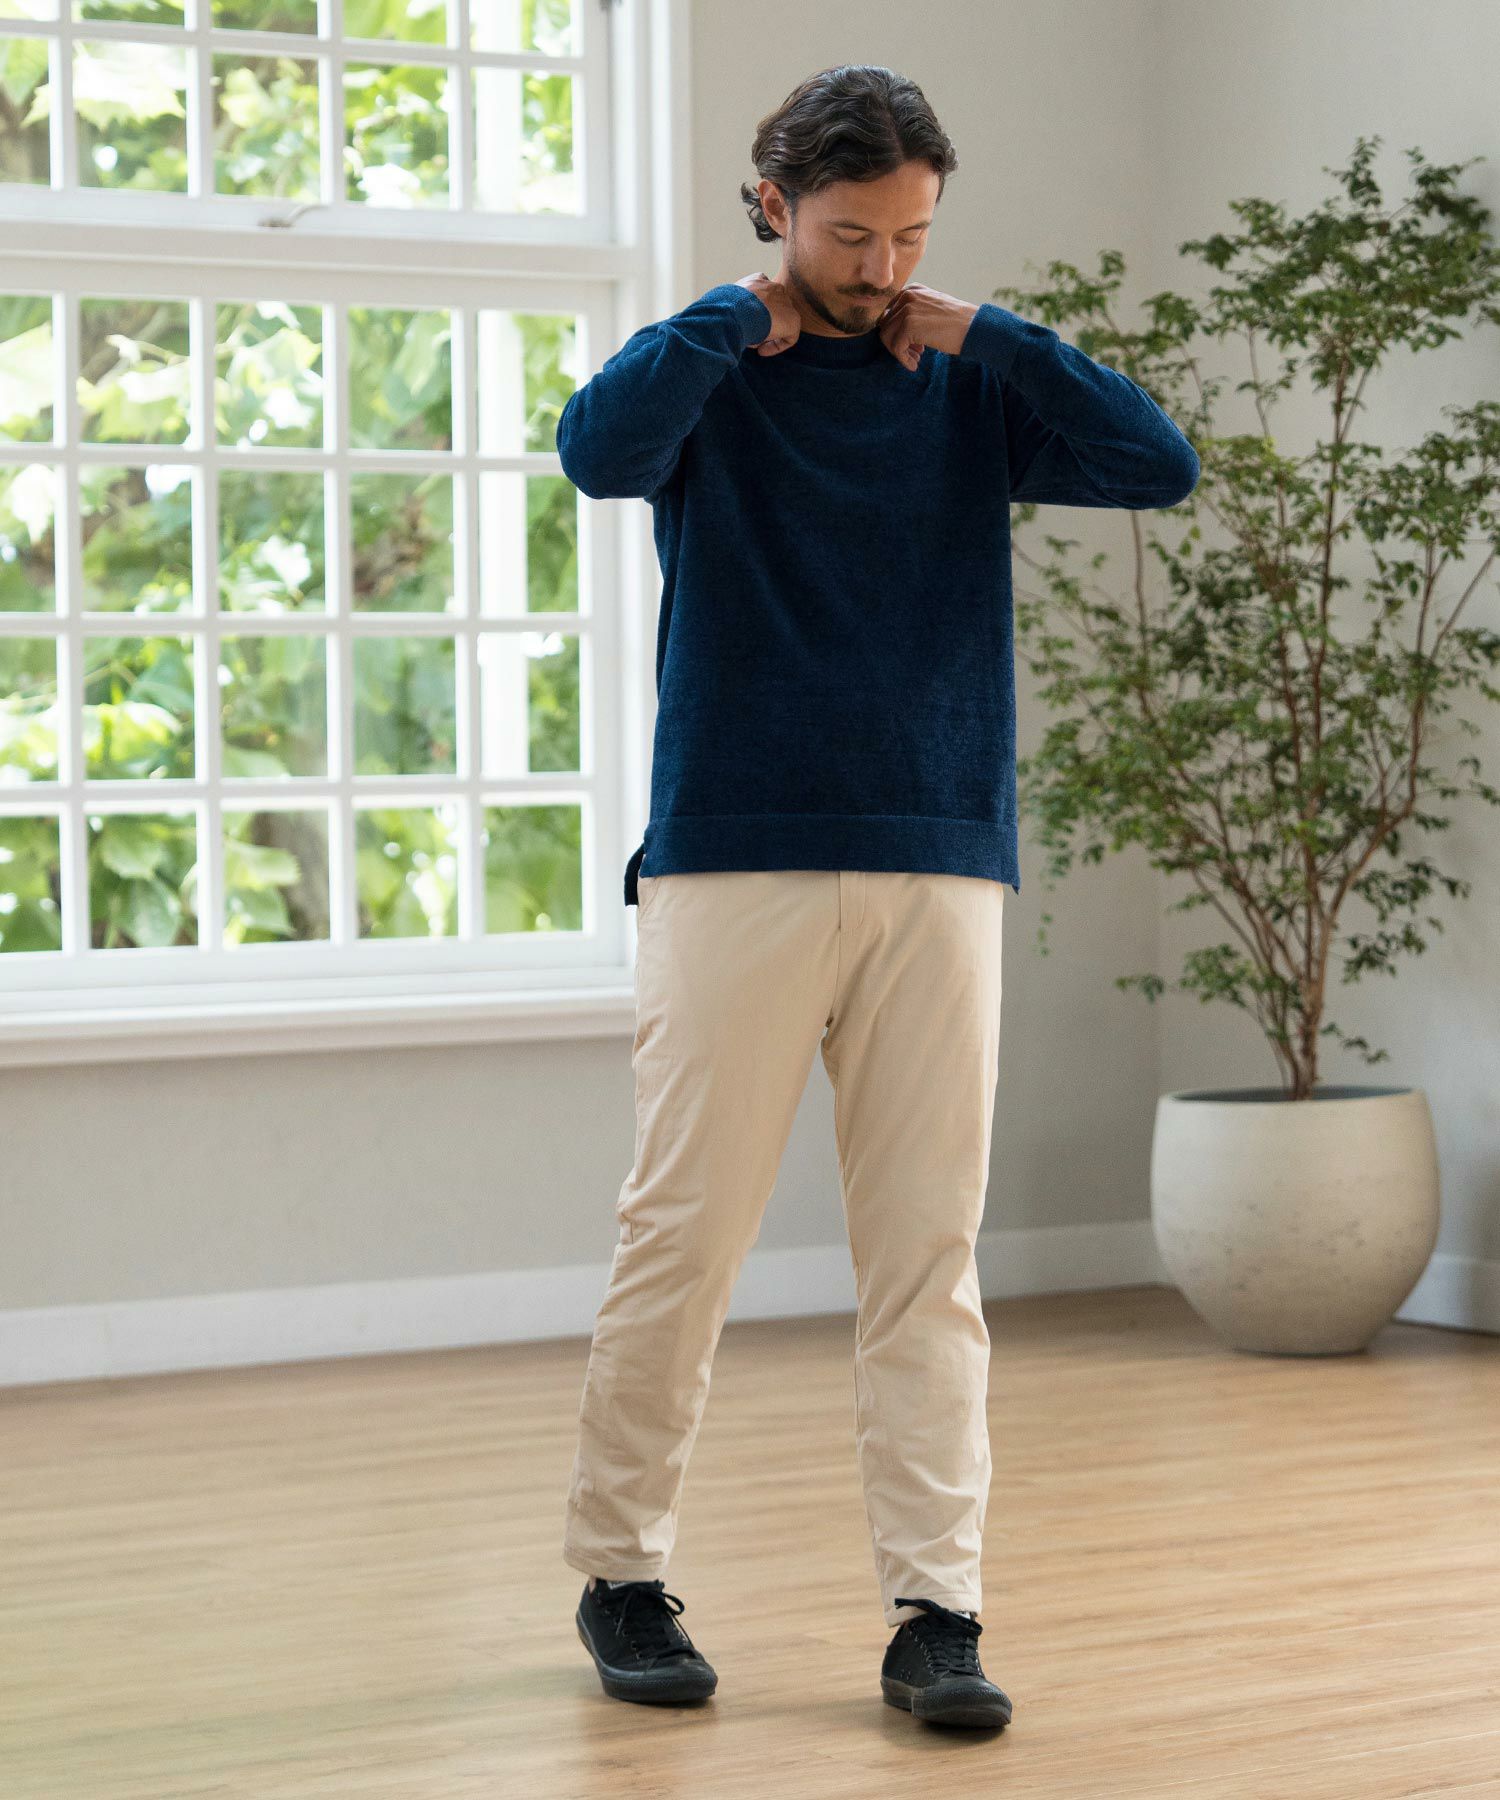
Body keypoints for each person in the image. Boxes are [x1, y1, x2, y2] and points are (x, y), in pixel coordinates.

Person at [559, 63, 1199, 1733]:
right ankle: (621, 1571)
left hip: (939, 851)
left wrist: (992, 331)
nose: (884, 266)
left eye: (911, 235)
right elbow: (595, 450)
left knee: (928, 1255)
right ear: (777, 206)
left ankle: (940, 1613)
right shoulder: (711, 372)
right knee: (683, 1234)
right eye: (852, 235)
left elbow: (1159, 464)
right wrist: (734, 314)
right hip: (733, 851)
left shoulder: (962, 378)